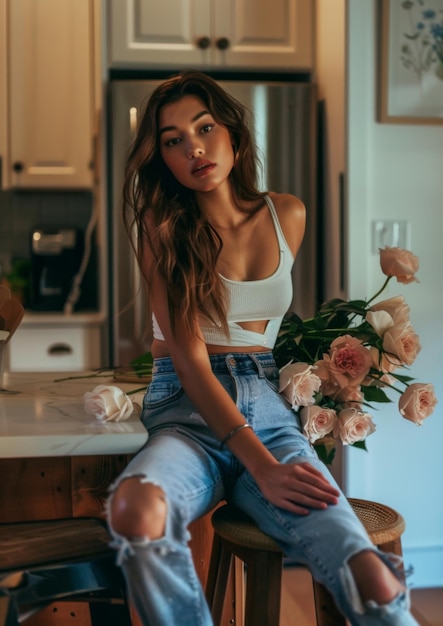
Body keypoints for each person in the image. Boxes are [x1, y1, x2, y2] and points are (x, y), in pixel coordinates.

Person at [107, 71, 417, 626]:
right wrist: (263, 467)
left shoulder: (286, 214)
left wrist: (275, 458)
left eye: (204, 127)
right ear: (164, 159)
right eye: (174, 140)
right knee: (134, 510)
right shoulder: (162, 227)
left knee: (370, 572)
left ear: (233, 134)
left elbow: (266, 337)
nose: (194, 148)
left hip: (269, 416)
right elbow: (190, 359)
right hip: (188, 416)